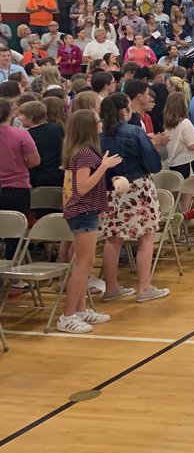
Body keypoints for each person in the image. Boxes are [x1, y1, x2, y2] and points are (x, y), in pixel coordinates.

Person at [97, 93, 168, 303]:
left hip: (109, 189)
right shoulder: (134, 132)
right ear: (124, 111)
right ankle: (144, 288)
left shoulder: (99, 134)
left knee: (113, 238)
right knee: (145, 236)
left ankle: (111, 288)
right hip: (137, 188)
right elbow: (154, 164)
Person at [58, 108, 122, 333]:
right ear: (89, 126)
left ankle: (81, 309)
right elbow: (83, 187)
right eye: (97, 120)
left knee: (85, 262)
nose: (101, 122)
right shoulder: (84, 153)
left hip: (86, 211)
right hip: (83, 211)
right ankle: (67, 316)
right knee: (83, 264)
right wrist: (104, 167)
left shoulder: (82, 151)